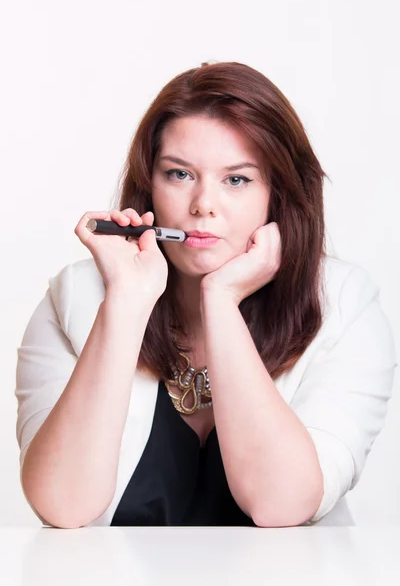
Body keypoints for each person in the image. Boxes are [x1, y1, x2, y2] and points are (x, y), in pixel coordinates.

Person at [15, 61, 397, 529]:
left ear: (279, 195)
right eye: (179, 174)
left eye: (237, 180)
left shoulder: (344, 306)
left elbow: (283, 505)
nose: (203, 205)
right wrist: (127, 303)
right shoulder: (74, 297)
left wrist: (221, 299)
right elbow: (61, 505)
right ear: (149, 185)